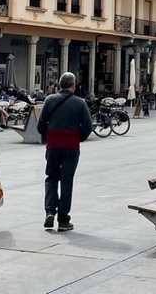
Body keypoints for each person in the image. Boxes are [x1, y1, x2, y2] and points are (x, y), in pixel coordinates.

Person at [37, 72, 93, 232]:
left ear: (59, 85)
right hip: (71, 147)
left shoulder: (49, 100)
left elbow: (41, 125)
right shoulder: (80, 103)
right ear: (73, 85)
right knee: (67, 181)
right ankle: (63, 219)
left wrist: (48, 137)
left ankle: (49, 211)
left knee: (51, 178)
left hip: (53, 146)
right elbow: (88, 126)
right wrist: (78, 138)